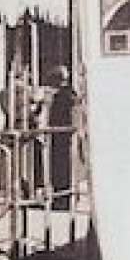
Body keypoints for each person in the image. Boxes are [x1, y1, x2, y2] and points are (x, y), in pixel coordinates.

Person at [44, 65, 78, 211]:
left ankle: (62, 198)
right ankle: (63, 197)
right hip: (62, 135)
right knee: (61, 167)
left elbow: (60, 115)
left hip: (61, 135)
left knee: (60, 167)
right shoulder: (68, 94)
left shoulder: (63, 95)